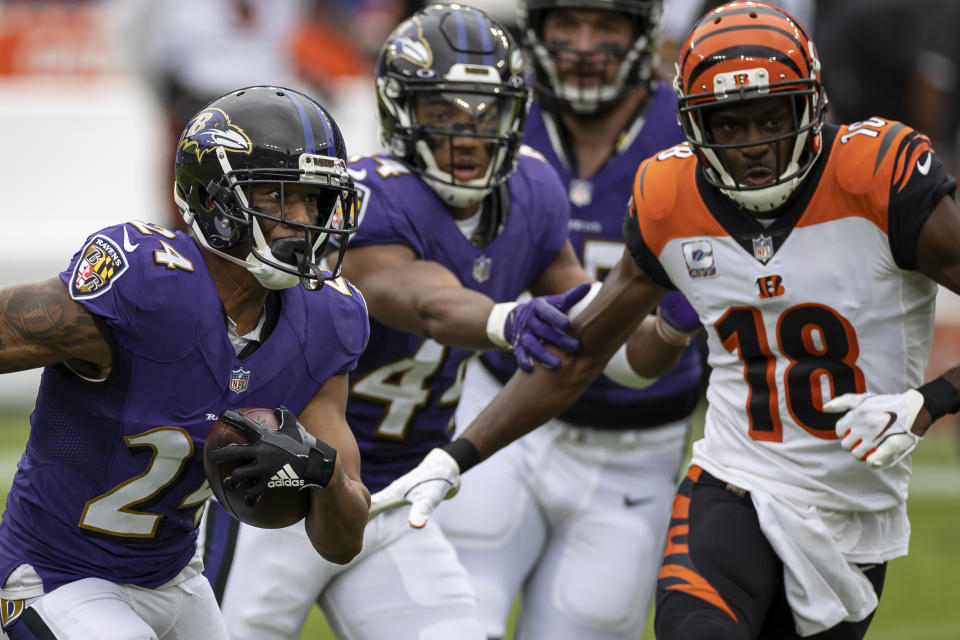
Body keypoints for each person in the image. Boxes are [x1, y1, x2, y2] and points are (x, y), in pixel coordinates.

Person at [374, 2, 960, 638]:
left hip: (850, 513)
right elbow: (585, 349)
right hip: (732, 481)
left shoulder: (878, 178)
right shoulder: (671, 196)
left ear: (812, 107)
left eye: (771, 116)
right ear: (692, 125)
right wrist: (458, 455)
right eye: (727, 124)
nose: (753, 144)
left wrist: (931, 400)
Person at [199, 5, 692, 639]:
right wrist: (507, 320)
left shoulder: (533, 193)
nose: (468, 135)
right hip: (287, 477)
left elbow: (601, 345)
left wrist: (669, 325)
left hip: (401, 488)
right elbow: (423, 299)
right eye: (443, 113)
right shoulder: (369, 197)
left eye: (485, 112)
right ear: (403, 113)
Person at [0, 85, 371, 639]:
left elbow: (342, 541)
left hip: (176, 577)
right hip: (58, 575)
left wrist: (323, 472)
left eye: (313, 198)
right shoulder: (147, 281)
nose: (302, 219)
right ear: (215, 200)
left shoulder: (327, 318)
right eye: (275, 196)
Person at [432, 1, 703, 639]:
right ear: (538, 32)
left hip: (637, 444)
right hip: (502, 412)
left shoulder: (692, 130)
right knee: (453, 620)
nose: (583, 46)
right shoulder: (501, 119)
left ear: (641, 35)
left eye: (605, 26)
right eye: (567, 27)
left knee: (587, 625)